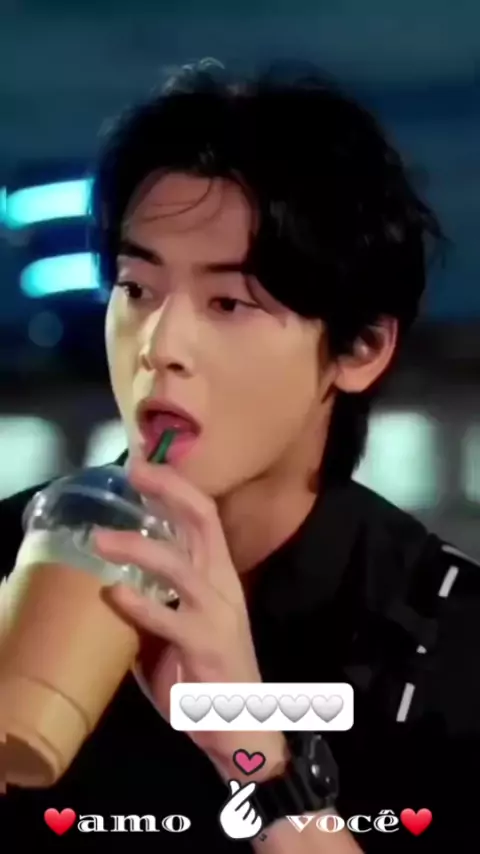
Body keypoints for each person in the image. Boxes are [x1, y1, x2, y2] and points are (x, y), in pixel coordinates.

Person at [1, 58, 479, 852]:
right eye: (137, 289)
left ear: (359, 348)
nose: (161, 346)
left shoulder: (448, 643)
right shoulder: (17, 557)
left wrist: (256, 753)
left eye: (229, 302)